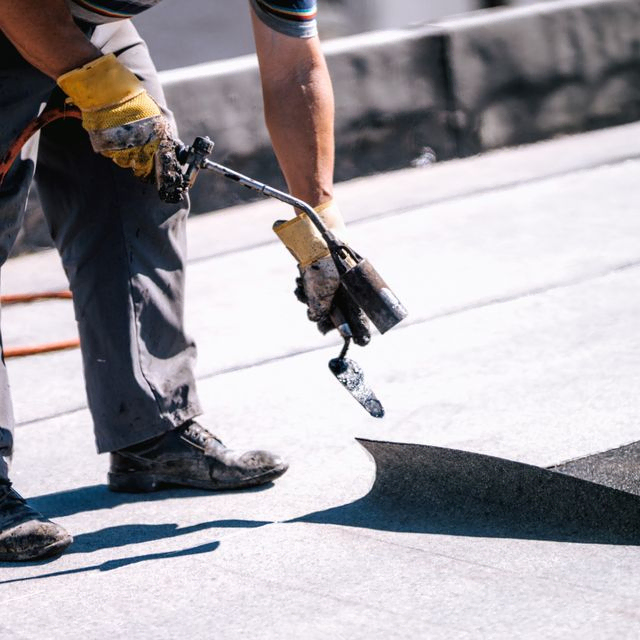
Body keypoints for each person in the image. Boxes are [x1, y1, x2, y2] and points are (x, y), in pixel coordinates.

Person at [0, 0, 370, 562]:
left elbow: (294, 67)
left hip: (82, 20)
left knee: (144, 187)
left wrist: (319, 218)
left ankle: (151, 431)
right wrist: (95, 80)